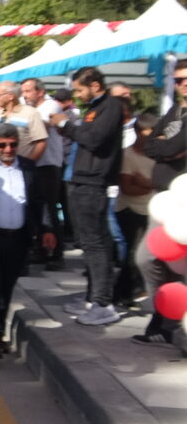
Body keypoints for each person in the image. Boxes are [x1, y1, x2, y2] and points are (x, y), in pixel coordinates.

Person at [0, 123, 53, 359]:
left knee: (6, 287)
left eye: (13, 144)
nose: (8, 149)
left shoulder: (28, 167)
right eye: (2, 145)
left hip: (19, 238)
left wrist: (46, 229)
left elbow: (39, 201)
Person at [50, 66, 125, 326]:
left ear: (95, 85)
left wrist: (66, 125)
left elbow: (95, 139)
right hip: (79, 180)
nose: (78, 95)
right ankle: (93, 297)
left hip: (92, 183)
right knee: (89, 243)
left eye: (80, 90)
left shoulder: (111, 106)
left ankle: (103, 303)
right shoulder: (95, 108)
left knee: (96, 244)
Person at [135, 58, 187, 346]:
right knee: (147, 259)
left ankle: (173, 326)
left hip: (184, 198)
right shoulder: (175, 111)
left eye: (186, 79)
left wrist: (169, 146)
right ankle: (166, 317)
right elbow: (152, 145)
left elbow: (175, 145)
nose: (182, 85)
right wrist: (167, 148)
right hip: (162, 200)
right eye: (178, 80)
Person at [21, 78, 67, 269]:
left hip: (48, 165)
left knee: (49, 210)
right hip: (33, 165)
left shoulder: (51, 106)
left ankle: (56, 253)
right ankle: (40, 247)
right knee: (35, 210)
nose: (25, 95)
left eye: (28, 91)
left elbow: (40, 126)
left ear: (40, 92)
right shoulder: (28, 109)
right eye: (23, 92)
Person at [113, 114, 157, 309]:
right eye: (149, 133)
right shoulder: (127, 155)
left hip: (151, 210)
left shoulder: (158, 156)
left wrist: (144, 182)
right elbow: (128, 188)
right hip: (130, 210)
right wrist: (151, 185)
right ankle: (123, 293)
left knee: (141, 254)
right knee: (134, 254)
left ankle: (126, 291)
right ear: (138, 133)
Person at [0, 80, 47, 162]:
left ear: (10, 96)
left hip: (22, 167)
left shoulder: (30, 113)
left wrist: (29, 164)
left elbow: (41, 142)